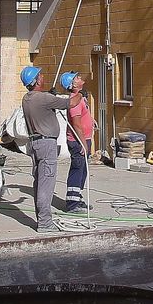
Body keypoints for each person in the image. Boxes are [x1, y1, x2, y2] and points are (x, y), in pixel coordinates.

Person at [20, 65, 84, 231]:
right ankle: (45, 223)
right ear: (36, 81)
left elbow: (45, 105)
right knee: (46, 184)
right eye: (40, 75)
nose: (42, 77)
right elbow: (71, 102)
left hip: (35, 144)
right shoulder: (44, 99)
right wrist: (81, 93)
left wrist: (50, 95)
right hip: (46, 144)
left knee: (39, 182)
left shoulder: (27, 98)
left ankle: (42, 219)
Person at [60, 72, 94, 212]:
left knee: (83, 171)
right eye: (77, 78)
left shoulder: (81, 98)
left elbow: (84, 116)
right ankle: (72, 204)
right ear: (72, 85)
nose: (80, 79)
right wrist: (83, 143)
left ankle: (77, 199)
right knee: (77, 170)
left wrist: (92, 122)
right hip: (78, 141)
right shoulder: (74, 100)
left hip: (84, 139)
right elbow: (76, 124)